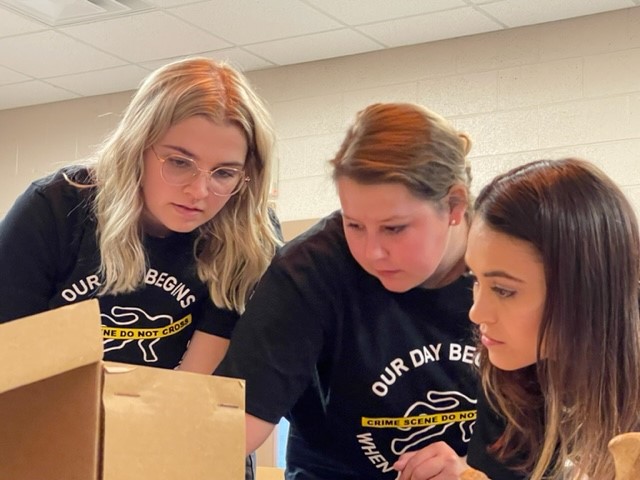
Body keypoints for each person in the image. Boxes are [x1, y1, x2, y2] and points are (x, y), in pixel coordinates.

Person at [216, 102, 479, 479]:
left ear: (454, 205)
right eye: (354, 225)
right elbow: (233, 426)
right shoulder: (309, 271)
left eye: (394, 228)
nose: (372, 252)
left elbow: (558, 431)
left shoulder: (507, 263)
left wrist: (470, 471)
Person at [0, 56, 281, 373]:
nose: (200, 191)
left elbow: (193, 386)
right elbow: (11, 362)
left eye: (224, 173)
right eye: (179, 162)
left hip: (156, 410)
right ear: (137, 148)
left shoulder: (246, 235)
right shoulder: (53, 208)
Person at [394, 158, 640, 480]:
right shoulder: (508, 377)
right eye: (476, 279)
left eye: (504, 290)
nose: (476, 312)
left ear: (585, 291)